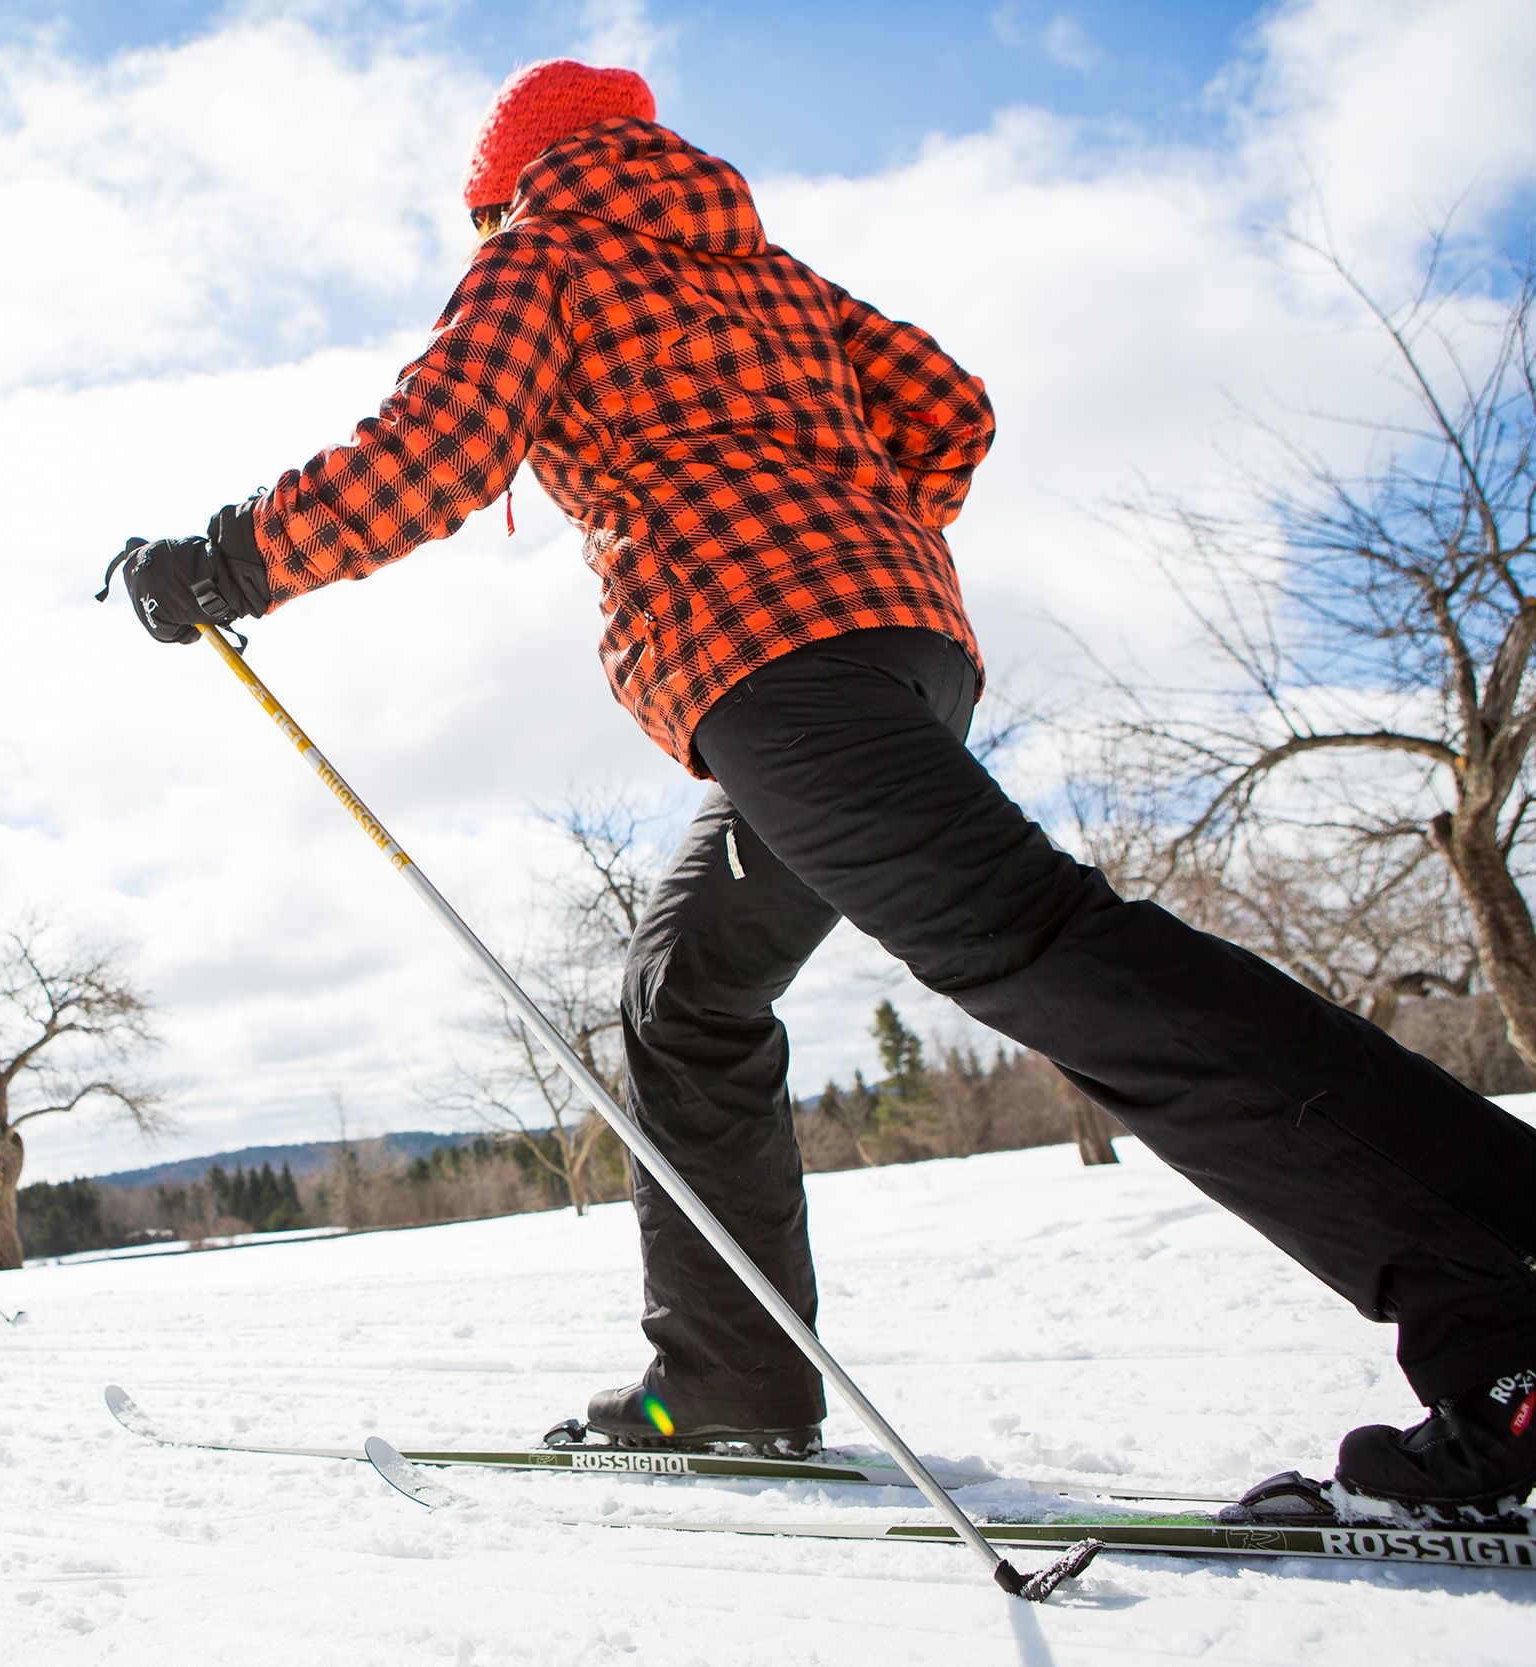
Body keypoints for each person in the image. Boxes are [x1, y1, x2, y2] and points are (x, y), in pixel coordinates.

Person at [112, 59, 1536, 1514]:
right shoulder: (764, 267)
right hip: (903, 657)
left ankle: (1509, 1335)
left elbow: (438, 444)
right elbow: (950, 408)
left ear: (501, 189)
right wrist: (854, 533)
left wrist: (224, 561)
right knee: (684, 990)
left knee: (1044, 948)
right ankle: (729, 1374)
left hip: (779, 674)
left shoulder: (543, 251)